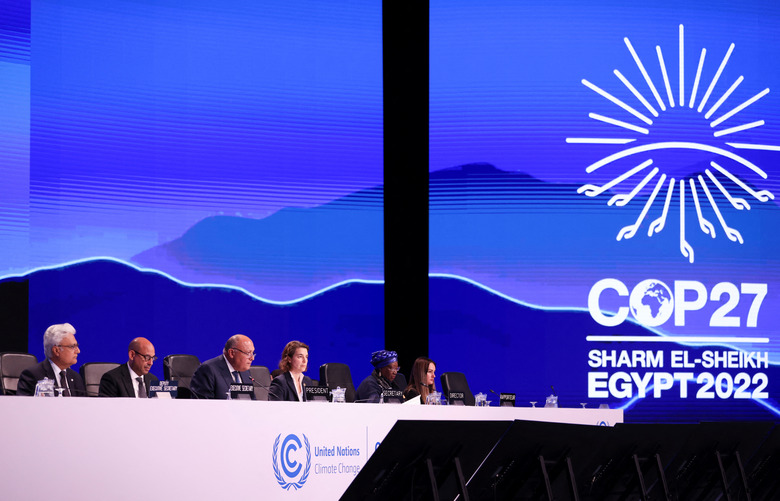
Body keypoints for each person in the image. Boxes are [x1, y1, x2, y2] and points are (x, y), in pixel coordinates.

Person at [17, 323, 86, 397]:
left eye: (77, 346)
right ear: (56, 350)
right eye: (72, 346)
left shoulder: (75, 377)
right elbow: (23, 406)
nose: (78, 351)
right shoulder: (32, 375)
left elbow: (84, 406)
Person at [190, 334, 256, 399]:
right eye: (248, 353)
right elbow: (203, 405)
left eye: (253, 353)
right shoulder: (208, 370)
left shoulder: (245, 372)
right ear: (232, 353)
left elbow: (252, 402)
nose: (252, 358)